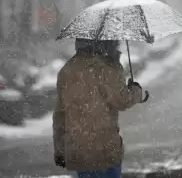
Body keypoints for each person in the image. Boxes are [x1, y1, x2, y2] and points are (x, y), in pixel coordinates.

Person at [53, 38, 145, 178]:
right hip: (105, 150)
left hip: (79, 150)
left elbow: (60, 115)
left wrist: (60, 150)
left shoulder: (67, 70)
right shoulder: (107, 68)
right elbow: (122, 100)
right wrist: (136, 91)